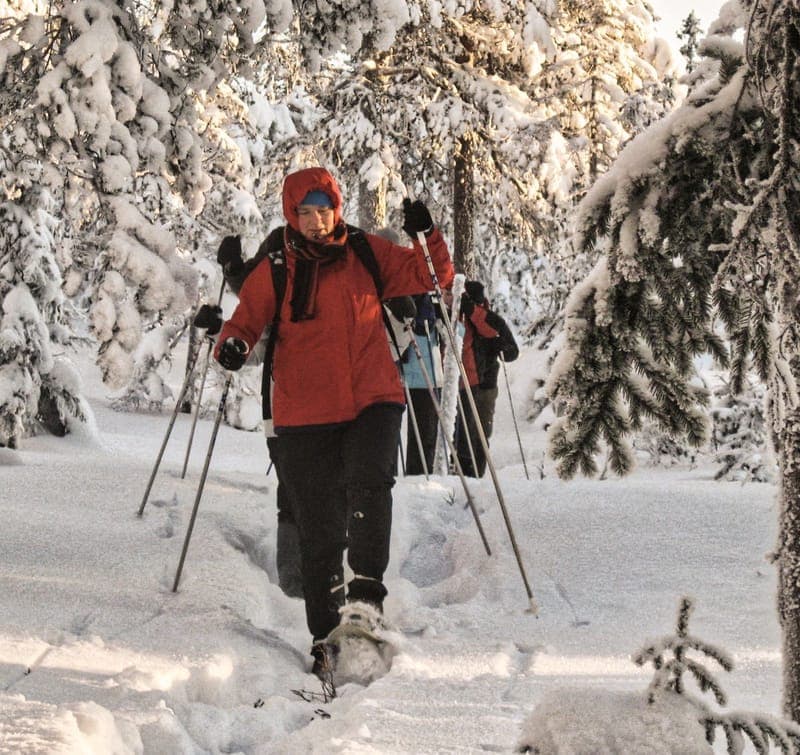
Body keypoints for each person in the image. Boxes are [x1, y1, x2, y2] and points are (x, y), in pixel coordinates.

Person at [212, 167, 454, 675]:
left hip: (372, 396)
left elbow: (430, 276)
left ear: (336, 208)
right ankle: (325, 635)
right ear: (291, 214)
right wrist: (232, 344)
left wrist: (427, 233)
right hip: (304, 412)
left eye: (323, 209)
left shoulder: (365, 251)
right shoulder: (278, 265)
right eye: (305, 211)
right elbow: (247, 319)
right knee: (317, 526)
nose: (316, 220)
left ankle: (365, 601)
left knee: (370, 484)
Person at [454, 281, 519, 478]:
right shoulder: (459, 318)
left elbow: (512, 351)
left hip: (485, 386)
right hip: (464, 384)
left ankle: (475, 476)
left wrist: (499, 347)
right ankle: (465, 474)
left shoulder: (490, 319)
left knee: (479, 434)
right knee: (464, 433)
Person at [401, 294, 444, 475]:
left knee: (419, 436)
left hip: (413, 378)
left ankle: (414, 475)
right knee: (425, 436)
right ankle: (420, 474)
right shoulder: (436, 310)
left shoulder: (400, 307)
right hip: (426, 380)